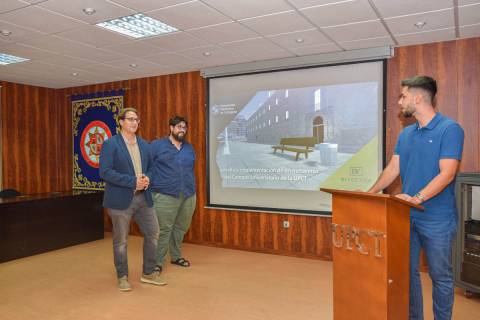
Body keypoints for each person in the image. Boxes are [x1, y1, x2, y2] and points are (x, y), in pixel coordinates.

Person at [367, 76, 464, 319]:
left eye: (403, 96)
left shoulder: (449, 129)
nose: (400, 102)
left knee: (440, 277)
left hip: (437, 219)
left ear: (418, 97)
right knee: (408, 275)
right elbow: (392, 170)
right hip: (405, 216)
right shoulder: (407, 133)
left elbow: (448, 173)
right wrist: (369, 194)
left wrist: (417, 197)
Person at [99, 107, 166, 291]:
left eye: (136, 119)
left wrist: (147, 178)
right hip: (120, 200)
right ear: (121, 122)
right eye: (130, 119)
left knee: (154, 233)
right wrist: (132, 181)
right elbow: (105, 172)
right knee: (121, 241)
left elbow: (152, 168)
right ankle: (122, 277)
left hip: (144, 198)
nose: (134, 122)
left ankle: (149, 273)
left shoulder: (144, 145)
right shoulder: (111, 144)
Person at [150, 116, 196, 272]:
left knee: (181, 228)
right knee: (163, 230)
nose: (182, 129)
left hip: (188, 194)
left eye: (184, 127)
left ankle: (176, 257)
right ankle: (156, 263)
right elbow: (146, 166)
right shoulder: (156, 146)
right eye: (179, 126)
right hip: (165, 194)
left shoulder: (189, 147)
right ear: (171, 128)